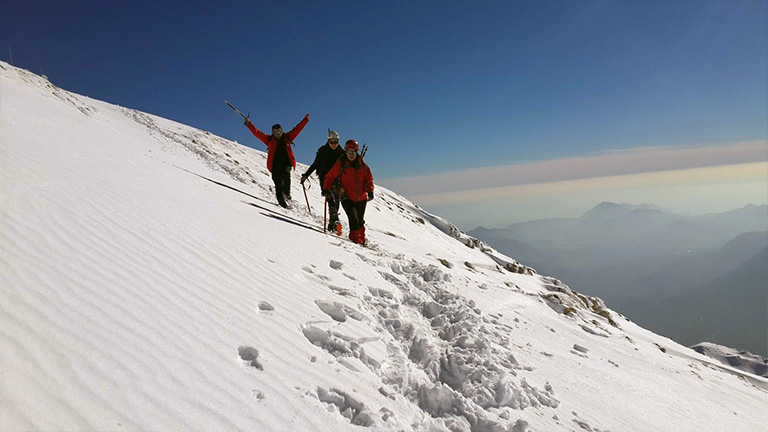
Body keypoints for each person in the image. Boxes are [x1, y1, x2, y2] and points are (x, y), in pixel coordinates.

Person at [244, 113, 310, 208]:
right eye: (275, 133)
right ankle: (282, 204)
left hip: (286, 165)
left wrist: (305, 119)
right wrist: (249, 124)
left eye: (279, 132)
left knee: (287, 181)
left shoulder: (287, 137)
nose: (277, 135)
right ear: (272, 132)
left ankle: (287, 195)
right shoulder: (269, 140)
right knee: (278, 185)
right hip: (275, 166)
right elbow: (257, 133)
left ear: (282, 131)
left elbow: (297, 129)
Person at [323, 140, 374, 245]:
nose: (351, 155)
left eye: (353, 152)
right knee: (353, 219)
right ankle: (356, 241)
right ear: (345, 152)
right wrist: (326, 188)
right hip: (347, 197)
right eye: (349, 152)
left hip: (362, 198)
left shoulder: (363, 165)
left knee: (360, 221)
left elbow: (369, 178)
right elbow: (330, 177)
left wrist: (370, 191)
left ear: (357, 152)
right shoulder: (341, 164)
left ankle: (362, 240)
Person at [301, 130, 345, 231]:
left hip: (337, 180)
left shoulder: (342, 153)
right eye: (332, 142)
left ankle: (331, 224)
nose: (334, 144)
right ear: (328, 141)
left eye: (336, 142)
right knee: (330, 199)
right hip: (324, 179)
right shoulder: (322, 151)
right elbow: (315, 164)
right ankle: (335, 221)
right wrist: (306, 175)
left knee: (336, 202)